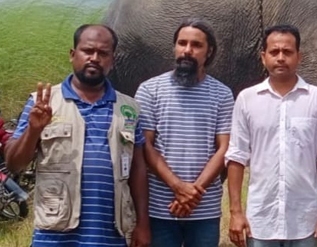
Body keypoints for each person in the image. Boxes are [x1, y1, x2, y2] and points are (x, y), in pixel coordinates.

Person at [4, 24, 150, 247]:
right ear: (73, 55)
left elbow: (138, 169)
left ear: (113, 60)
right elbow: (14, 164)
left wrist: (143, 223)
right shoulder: (43, 102)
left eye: (103, 53)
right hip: (54, 235)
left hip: (112, 235)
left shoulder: (128, 108)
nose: (94, 58)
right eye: (87, 51)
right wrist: (33, 130)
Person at [226, 24, 317, 247]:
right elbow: (236, 157)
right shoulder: (247, 99)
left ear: (299, 56)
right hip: (260, 220)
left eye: (287, 52)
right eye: (274, 52)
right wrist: (235, 212)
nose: (280, 58)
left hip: (306, 221)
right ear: (263, 57)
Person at [134, 19, 234, 247]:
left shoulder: (222, 94)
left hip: (204, 209)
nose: (187, 50)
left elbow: (224, 148)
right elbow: (145, 146)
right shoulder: (150, 90)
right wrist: (177, 187)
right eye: (182, 43)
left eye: (196, 45)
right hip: (160, 208)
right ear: (174, 47)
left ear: (209, 52)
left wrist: (193, 193)